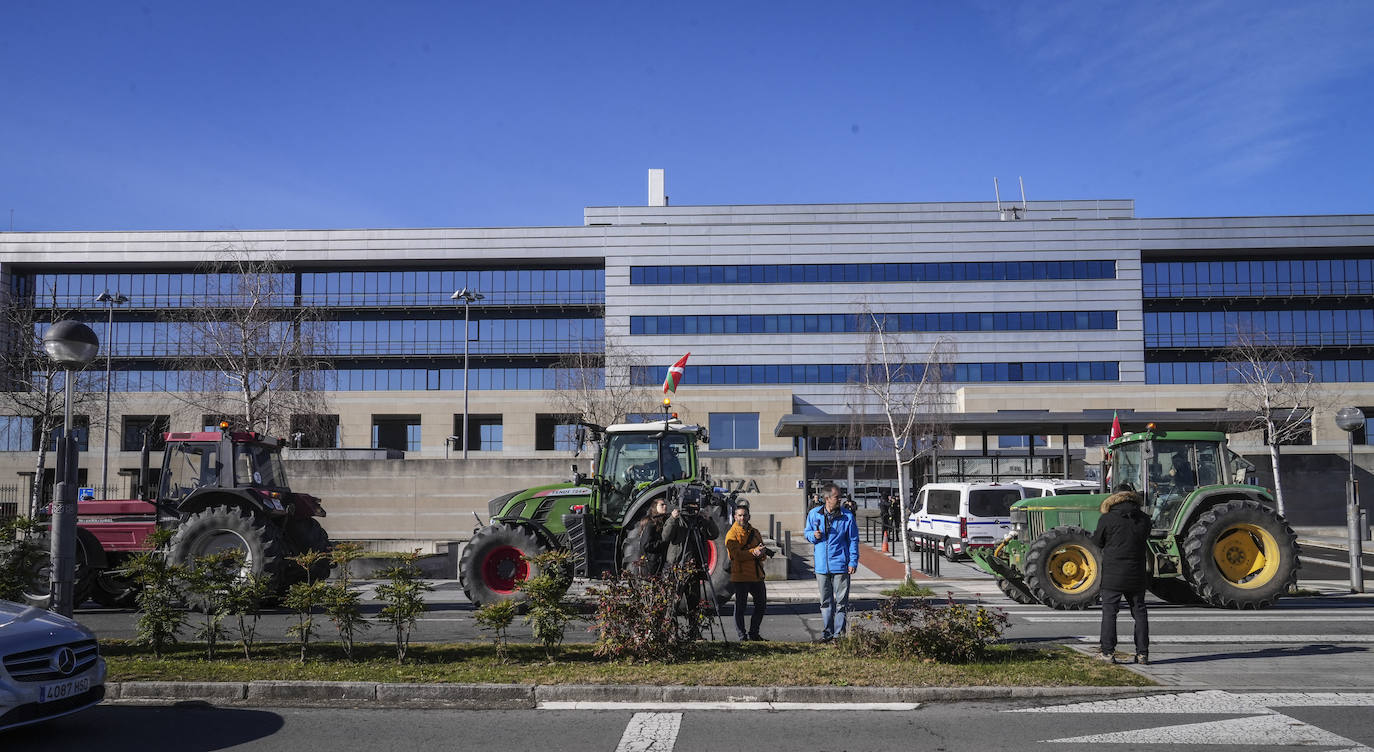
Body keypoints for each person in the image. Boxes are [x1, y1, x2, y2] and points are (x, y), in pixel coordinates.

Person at [1092, 490, 1151, 665]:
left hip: (1113, 574)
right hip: (1137, 573)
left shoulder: (1107, 519)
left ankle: (1108, 653)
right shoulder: (1144, 519)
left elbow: (1098, 542)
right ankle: (1142, 654)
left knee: (1110, 613)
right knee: (1139, 612)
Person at [804, 482, 859, 643]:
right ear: (827, 498)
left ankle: (838, 635)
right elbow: (806, 532)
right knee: (825, 602)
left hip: (841, 565)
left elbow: (853, 540)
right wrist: (814, 535)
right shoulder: (814, 514)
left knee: (841, 602)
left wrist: (853, 561)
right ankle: (827, 633)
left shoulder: (847, 516)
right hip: (822, 566)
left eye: (840, 496)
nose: (840, 499)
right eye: (837, 497)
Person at [661, 497, 721, 638]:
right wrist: (672, 518)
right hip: (677, 567)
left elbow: (714, 534)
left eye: (694, 505)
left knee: (693, 603)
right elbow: (665, 536)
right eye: (689, 505)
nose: (691, 508)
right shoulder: (678, 520)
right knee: (673, 603)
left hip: (694, 568)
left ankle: (694, 632)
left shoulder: (699, 520)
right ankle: (671, 634)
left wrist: (708, 520)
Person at [725, 504, 768, 641]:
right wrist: (753, 552)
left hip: (757, 575)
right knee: (740, 608)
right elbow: (736, 555)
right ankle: (742, 636)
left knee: (761, 605)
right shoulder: (731, 534)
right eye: (740, 515)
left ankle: (754, 633)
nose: (742, 518)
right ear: (735, 517)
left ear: (749, 516)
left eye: (745, 515)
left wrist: (761, 553)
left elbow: (762, 553)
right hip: (741, 576)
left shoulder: (755, 532)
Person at [630, 498, 670, 576]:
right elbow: (646, 545)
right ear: (655, 507)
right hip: (651, 564)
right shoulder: (651, 524)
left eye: (665, 504)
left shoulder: (660, 522)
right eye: (662, 505)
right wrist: (664, 543)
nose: (665, 506)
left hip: (655, 562)